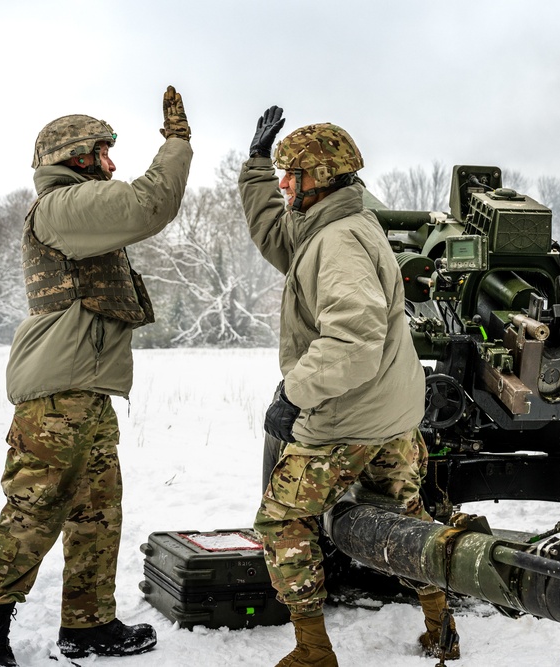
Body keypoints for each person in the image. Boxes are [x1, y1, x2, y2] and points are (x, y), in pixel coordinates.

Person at [0, 86, 193, 667]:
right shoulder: (61, 207)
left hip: (84, 393)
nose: (112, 163)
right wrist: (176, 144)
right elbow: (149, 204)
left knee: (97, 511)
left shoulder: (76, 208)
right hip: (56, 398)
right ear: (74, 157)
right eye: (103, 152)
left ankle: (88, 627)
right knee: (35, 508)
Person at [239, 106, 461, 666]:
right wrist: (256, 168)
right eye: (283, 174)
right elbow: (275, 233)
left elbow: (353, 343)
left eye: (293, 174)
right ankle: (440, 626)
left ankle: (313, 650)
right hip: (392, 413)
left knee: (283, 519)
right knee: (405, 517)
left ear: (323, 178)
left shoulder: (337, 243)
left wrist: (294, 394)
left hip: (348, 417)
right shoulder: (332, 223)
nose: (286, 184)